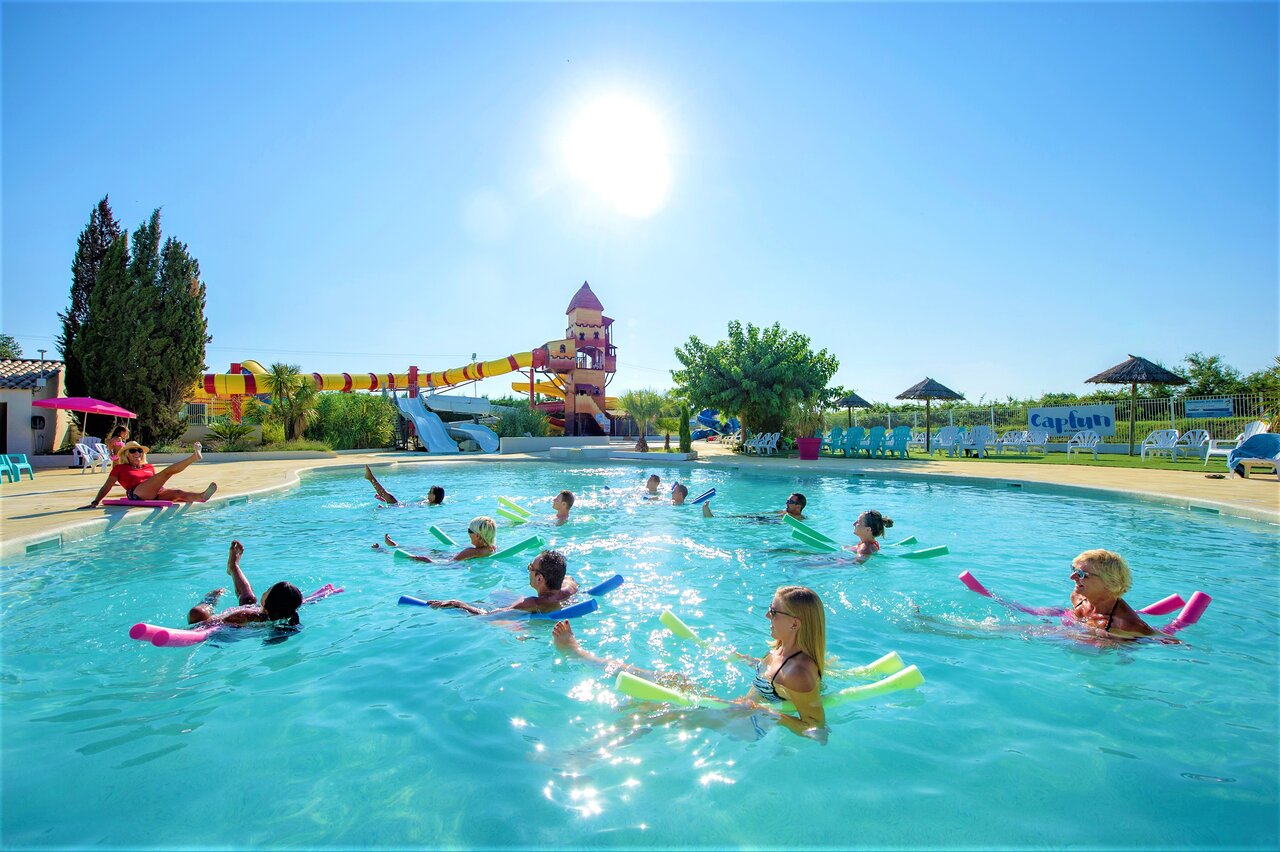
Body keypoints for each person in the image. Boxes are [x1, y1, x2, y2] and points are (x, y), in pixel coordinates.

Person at [553, 584, 827, 735]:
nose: (767, 616)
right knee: (672, 680)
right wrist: (737, 657)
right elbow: (766, 668)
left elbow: (816, 730)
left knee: (663, 708)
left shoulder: (798, 673)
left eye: (774, 612)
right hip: (744, 707)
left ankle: (587, 753)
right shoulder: (780, 648)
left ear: (795, 624)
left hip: (752, 723)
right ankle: (582, 656)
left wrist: (771, 715)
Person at [186, 540, 304, 627]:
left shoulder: (246, 615)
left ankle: (209, 600)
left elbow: (211, 623)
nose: (264, 592)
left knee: (197, 613)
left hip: (221, 636)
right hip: (256, 615)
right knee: (249, 598)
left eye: (268, 591)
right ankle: (233, 567)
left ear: (267, 603)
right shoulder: (281, 613)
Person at [426, 550, 579, 616]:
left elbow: (488, 616)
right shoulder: (569, 588)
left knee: (493, 600)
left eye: (530, 567)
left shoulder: (530, 602)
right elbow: (570, 578)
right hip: (553, 604)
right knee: (498, 594)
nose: (528, 570)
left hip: (528, 618)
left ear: (539, 578)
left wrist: (458, 604)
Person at [85, 441, 216, 508]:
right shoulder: (120, 468)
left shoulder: (148, 467)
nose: (137, 453)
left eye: (139, 451)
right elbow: (107, 486)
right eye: (133, 451)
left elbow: (155, 484)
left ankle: (201, 496)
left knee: (178, 493)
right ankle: (194, 457)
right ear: (126, 454)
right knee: (166, 473)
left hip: (156, 492)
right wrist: (96, 501)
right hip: (137, 493)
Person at [1068, 549, 1156, 638]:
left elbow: (1162, 640)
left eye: (1081, 574)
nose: (1072, 577)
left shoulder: (1125, 624)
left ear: (1110, 582)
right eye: (1074, 569)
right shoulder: (1077, 597)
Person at [384, 516, 497, 562]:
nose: (468, 533)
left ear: (477, 535)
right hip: (456, 556)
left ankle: (386, 550)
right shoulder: (491, 549)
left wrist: (427, 561)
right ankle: (396, 546)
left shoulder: (470, 551)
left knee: (425, 553)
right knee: (430, 551)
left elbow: (449, 565)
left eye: (469, 531)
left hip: (448, 560)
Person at [362, 465, 444, 506]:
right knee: (387, 497)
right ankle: (371, 479)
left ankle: (371, 478)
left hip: (399, 509)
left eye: (430, 492)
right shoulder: (429, 502)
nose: (427, 493)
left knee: (389, 497)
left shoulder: (432, 505)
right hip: (400, 506)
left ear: (434, 496)